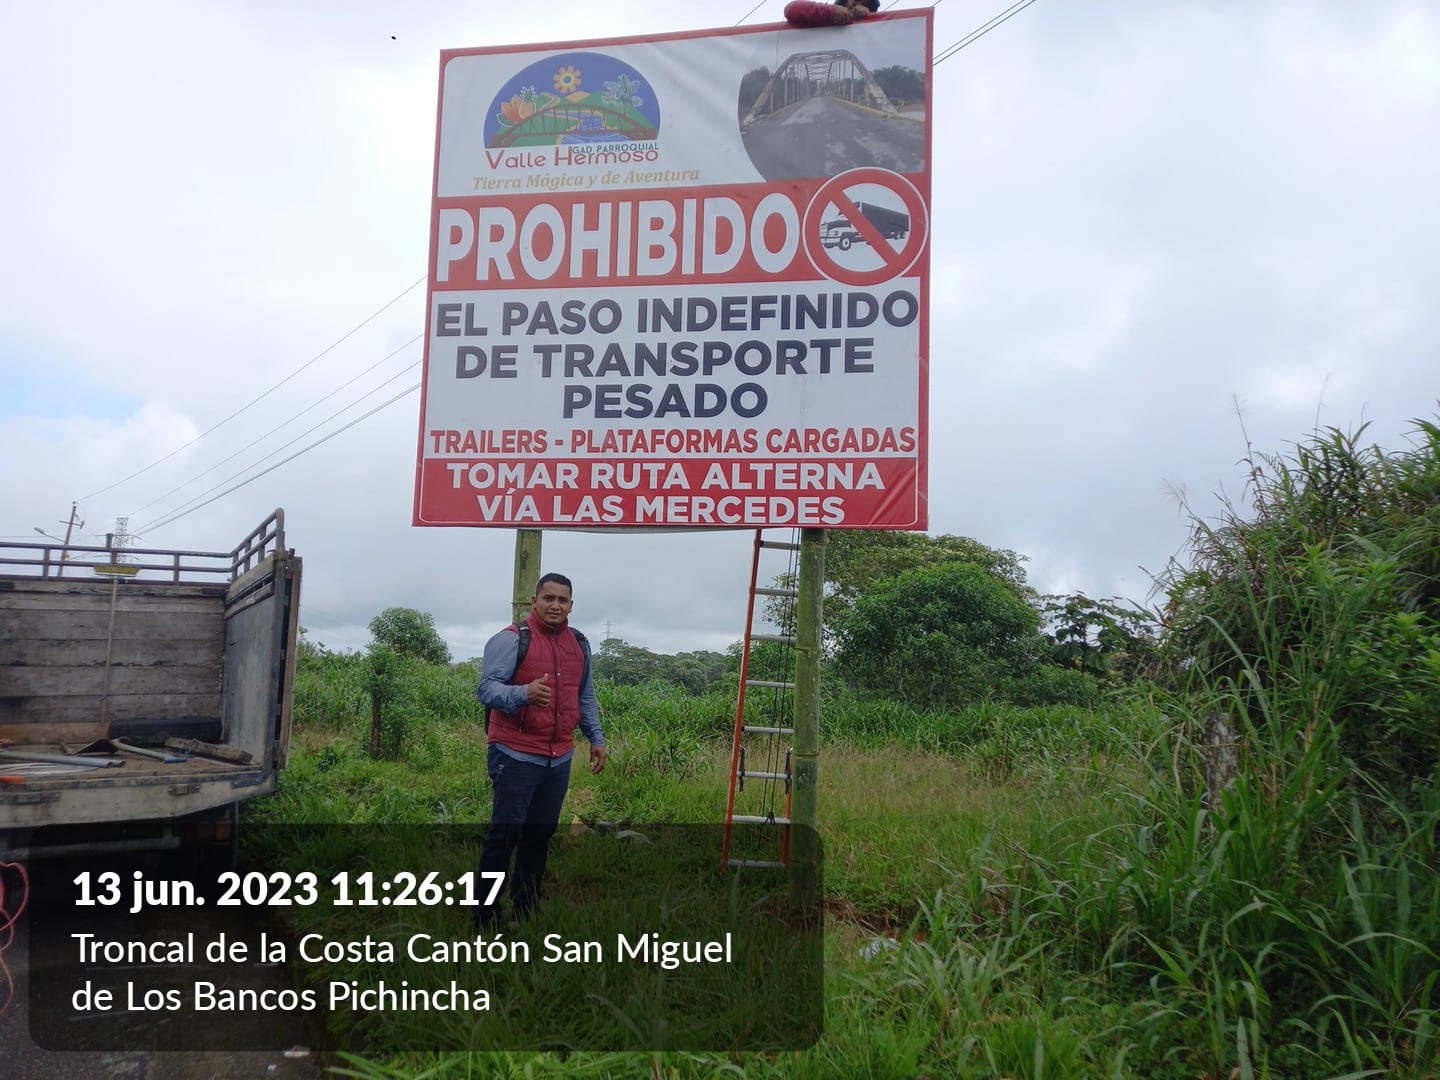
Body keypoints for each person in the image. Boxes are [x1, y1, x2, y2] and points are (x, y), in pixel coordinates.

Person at [475, 572, 606, 925]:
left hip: (558, 758)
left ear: (571, 606)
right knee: (505, 836)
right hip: (514, 754)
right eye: (549, 598)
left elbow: (585, 696)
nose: (555, 605)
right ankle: (484, 917)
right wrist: (523, 694)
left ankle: (525, 912)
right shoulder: (511, 639)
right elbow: (486, 689)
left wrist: (596, 737)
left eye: (562, 600)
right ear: (534, 601)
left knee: (539, 836)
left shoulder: (579, 644)